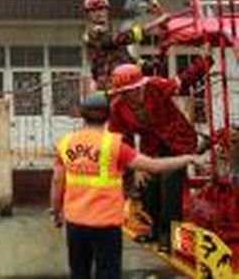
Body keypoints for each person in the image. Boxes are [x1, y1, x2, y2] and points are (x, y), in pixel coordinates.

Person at [51, 92, 208, 279]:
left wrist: (56, 211)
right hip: (106, 225)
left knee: (79, 272)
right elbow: (154, 166)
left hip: (75, 223)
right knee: (108, 272)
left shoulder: (65, 143)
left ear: (82, 114)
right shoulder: (114, 145)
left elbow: (57, 181)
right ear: (108, 115)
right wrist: (188, 158)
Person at [107, 57, 211, 251]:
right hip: (151, 147)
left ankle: (169, 237)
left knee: (170, 187)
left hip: (177, 142)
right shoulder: (117, 108)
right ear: (121, 93)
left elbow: (184, 81)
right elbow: (121, 140)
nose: (135, 93)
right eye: (128, 91)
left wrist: (205, 60)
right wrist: (136, 166)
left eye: (137, 88)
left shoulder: (155, 86)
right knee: (148, 186)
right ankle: (153, 230)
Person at [83, 0, 167, 90]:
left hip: (123, 79)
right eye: (93, 10)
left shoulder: (109, 31)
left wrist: (146, 64)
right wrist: (156, 23)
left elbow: (125, 57)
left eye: (101, 8)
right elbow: (125, 37)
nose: (98, 13)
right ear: (88, 14)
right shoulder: (94, 33)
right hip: (110, 84)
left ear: (107, 11)